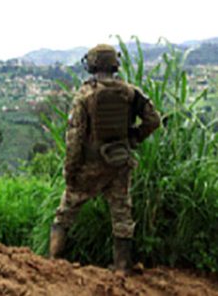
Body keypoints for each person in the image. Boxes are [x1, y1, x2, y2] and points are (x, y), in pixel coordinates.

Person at [49, 44, 161, 272]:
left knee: (66, 210)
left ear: (92, 64)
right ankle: (122, 267)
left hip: (90, 165)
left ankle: (53, 262)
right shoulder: (130, 92)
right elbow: (154, 119)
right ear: (114, 64)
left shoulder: (85, 95)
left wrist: (70, 171)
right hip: (119, 162)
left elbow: (75, 138)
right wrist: (133, 138)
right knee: (122, 213)